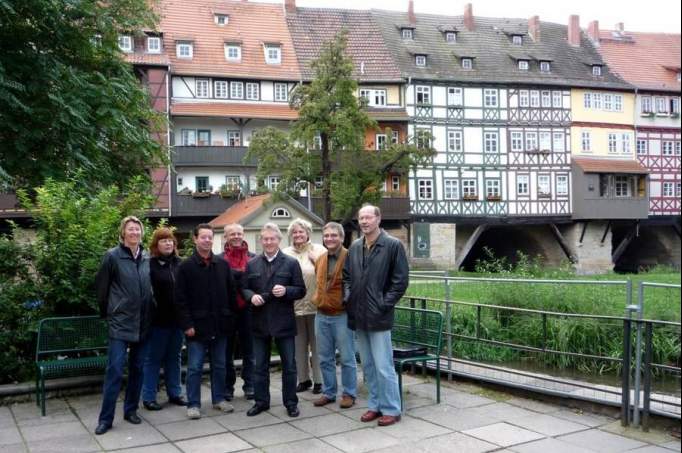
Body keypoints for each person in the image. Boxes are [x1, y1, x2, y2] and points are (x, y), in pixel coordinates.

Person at [343, 204, 409, 427]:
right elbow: (347, 278)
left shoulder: (392, 245)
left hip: (379, 316)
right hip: (358, 315)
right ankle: (375, 405)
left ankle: (391, 408)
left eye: (368, 217)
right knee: (369, 365)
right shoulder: (354, 247)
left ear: (378, 219)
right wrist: (348, 297)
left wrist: (384, 303)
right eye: (361, 218)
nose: (364, 221)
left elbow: (400, 281)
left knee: (383, 366)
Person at [94, 216, 154, 435]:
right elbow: (102, 289)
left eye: (137, 230)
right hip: (120, 324)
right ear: (123, 233)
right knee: (115, 371)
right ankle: (105, 419)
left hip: (144, 323)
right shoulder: (112, 256)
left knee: (138, 369)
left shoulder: (147, 257)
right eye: (130, 229)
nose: (135, 233)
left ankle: (130, 410)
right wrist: (109, 314)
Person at [242, 223, 306, 418]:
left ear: (279, 240)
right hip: (259, 322)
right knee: (259, 366)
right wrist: (251, 296)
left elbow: (301, 290)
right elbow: (244, 288)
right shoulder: (252, 263)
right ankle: (261, 402)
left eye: (272, 238)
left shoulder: (291, 263)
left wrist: (287, 291)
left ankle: (291, 402)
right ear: (261, 240)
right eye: (265, 239)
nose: (268, 242)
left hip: (283, 322)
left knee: (289, 365)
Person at [175, 223, 238, 419]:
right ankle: (193, 404)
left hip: (220, 325)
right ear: (195, 239)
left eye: (210, 237)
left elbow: (231, 294)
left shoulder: (222, 265)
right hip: (197, 327)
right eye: (203, 237)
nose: (207, 240)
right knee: (194, 367)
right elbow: (180, 299)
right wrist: (187, 325)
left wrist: (230, 321)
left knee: (220, 365)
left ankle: (219, 399)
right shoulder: (185, 267)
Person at [311, 222, 357, 409]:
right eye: (326, 236)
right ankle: (329, 392)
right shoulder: (320, 258)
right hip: (321, 314)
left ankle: (349, 393)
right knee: (324, 357)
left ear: (341, 237)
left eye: (333, 235)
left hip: (342, 315)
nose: (329, 239)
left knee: (347, 358)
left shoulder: (350, 257)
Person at [141, 227, 187, 411]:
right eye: (163, 240)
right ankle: (148, 397)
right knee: (153, 359)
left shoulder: (180, 264)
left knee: (174, 358)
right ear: (156, 245)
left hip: (178, 321)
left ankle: (175, 393)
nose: (168, 243)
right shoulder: (149, 265)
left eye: (170, 240)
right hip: (157, 322)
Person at [282, 218, 326, 394]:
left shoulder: (319, 250)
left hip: (316, 306)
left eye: (301, 231)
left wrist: (316, 262)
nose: (298, 234)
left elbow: (328, 275)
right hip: (293, 307)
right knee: (298, 347)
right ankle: (303, 379)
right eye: (295, 232)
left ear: (308, 233)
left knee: (318, 346)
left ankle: (319, 381)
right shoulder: (285, 253)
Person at [222, 223, 256, 400]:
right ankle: (228, 386)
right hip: (227, 311)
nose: (236, 236)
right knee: (227, 351)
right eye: (232, 233)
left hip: (248, 310)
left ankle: (249, 384)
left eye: (239, 233)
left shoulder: (253, 258)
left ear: (243, 235)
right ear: (226, 237)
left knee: (250, 350)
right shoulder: (219, 260)